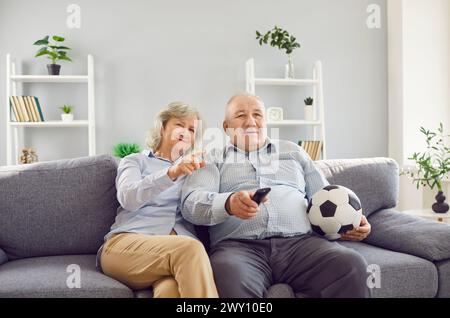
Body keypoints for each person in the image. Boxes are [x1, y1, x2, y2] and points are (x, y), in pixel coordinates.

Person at [181, 93, 372, 298]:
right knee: (227, 275)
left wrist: (353, 223)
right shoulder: (211, 158)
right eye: (241, 115)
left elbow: (327, 197)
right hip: (238, 248)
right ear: (226, 126)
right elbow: (191, 204)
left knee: (351, 265)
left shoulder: (293, 152)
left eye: (257, 114)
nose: (251, 121)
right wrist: (229, 203)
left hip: (302, 245)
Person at [98, 102, 218, 298]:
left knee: (170, 291)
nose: (186, 133)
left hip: (169, 255)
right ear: (162, 127)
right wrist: (171, 172)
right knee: (190, 248)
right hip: (125, 246)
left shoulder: (193, 170)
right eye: (179, 125)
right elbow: (128, 198)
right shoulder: (135, 161)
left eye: (191, 130)